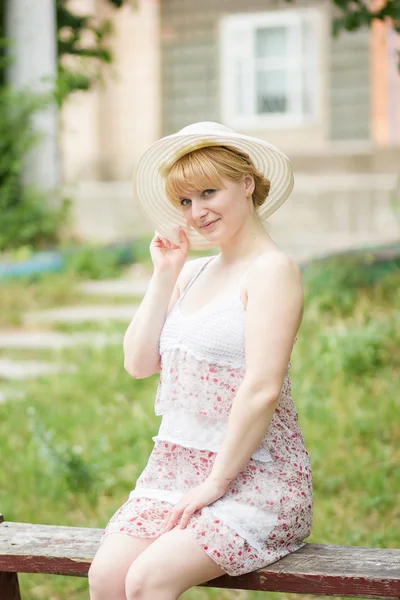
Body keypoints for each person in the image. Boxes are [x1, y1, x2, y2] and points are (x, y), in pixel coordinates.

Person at [88, 122, 313, 600]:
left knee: (147, 580)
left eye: (209, 192)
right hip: (173, 472)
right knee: (106, 578)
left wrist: (215, 483)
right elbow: (137, 362)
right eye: (185, 202)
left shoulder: (273, 270)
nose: (197, 212)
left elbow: (262, 387)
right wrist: (164, 274)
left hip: (256, 478)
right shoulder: (191, 272)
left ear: (247, 184)